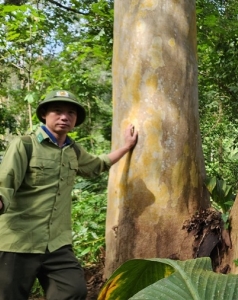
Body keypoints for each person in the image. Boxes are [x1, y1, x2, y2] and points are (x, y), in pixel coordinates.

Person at [0, 90, 138, 300]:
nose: (65, 117)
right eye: (58, 111)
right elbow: (5, 183)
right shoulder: (25, 145)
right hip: (18, 241)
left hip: (56, 243)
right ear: (45, 114)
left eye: (71, 113)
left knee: (73, 290)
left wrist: (127, 147)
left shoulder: (73, 150)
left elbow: (97, 165)